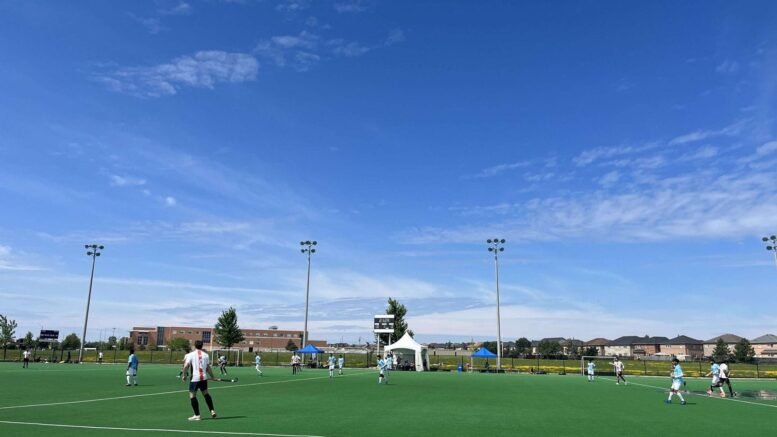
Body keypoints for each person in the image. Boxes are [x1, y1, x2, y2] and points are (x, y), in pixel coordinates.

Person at [182, 340, 217, 421]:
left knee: (192, 396)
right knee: (206, 394)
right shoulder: (206, 355)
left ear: (195, 345)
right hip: (203, 378)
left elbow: (186, 366)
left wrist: (184, 375)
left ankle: (197, 415)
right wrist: (213, 377)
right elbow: (208, 367)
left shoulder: (190, 355)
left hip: (195, 378)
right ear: (202, 346)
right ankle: (212, 410)